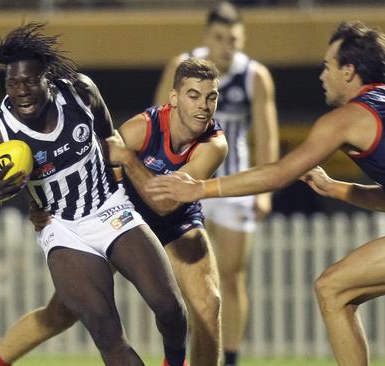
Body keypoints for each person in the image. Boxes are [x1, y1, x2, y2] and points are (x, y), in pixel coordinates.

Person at [147, 21, 385, 366]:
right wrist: (339, 189)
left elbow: (279, 173)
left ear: (349, 71)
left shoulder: (348, 118)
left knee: (332, 289)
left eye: (328, 65)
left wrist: (199, 188)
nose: (322, 74)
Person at [0, 58, 227, 366]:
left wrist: (129, 161)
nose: (203, 106)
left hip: (175, 221)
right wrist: (37, 201)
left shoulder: (214, 144)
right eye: (194, 96)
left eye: (211, 97)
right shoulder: (142, 128)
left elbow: (166, 203)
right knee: (61, 314)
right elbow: (97, 157)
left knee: (203, 306)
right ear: (174, 99)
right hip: (119, 212)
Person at [154, 3, 279, 365]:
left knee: (231, 275)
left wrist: (265, 192)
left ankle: (231, 358)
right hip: (186, 181)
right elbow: (158, 120)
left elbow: (267, 135)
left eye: (234, 39)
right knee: (183, 279)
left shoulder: (254, 75)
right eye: (220, 38)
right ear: (207, 37)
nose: (228, 46)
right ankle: (182, 353)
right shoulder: (182, 67)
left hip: (233, 188)